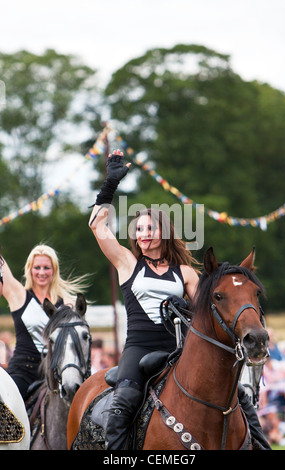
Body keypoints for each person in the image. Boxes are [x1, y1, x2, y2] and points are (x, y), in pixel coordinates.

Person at [89, 149, 200, 450]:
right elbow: (97, 226)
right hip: (138, 350)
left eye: (150, 228)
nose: (144, 234)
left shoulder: (187, 273)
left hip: (179, 350)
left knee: (235, 394)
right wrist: (109, 185)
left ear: (164, 232)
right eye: (139, 229)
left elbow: (205, 316)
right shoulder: (128, 263)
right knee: (123, 403)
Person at [0, 244, 89, 400]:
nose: (41, 272)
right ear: (30, 270)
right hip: (23, 371)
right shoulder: (19, 295)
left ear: (54, 270)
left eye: (46, 268)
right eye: (37, 267)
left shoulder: (67, 304)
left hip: (57, 373)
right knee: (6, 407)